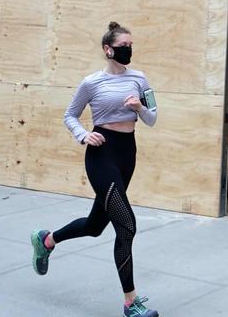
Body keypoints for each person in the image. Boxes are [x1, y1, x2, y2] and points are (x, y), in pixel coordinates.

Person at [31, 22, 159, 317]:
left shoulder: (140, 79)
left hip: (127, 153)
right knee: (126, 226)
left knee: (94, 225)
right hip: (101, 154)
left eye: (131, 44)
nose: (129, 49)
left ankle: (47, 240)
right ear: (108, 49)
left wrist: (139, 107)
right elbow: (70, 115)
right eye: (124, 44)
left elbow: (152, 118)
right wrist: (83, 135)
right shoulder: (91, 82)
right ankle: (131, 303)